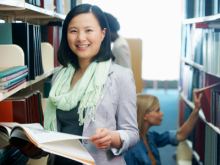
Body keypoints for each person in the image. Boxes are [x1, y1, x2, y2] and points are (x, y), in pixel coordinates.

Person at [10, 4, 139, 165]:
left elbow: (132, 133)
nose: (80, 38)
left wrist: (114, 138)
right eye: (73, 31)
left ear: (103, 33)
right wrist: (37, 147)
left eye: (88, 30)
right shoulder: (59, 76)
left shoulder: (121, 76)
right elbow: (57, 132)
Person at [123, 90, 202, 165]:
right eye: (157, 110)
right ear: (145, 115)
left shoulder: (150, 136)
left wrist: (196, 110)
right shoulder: (130, 150)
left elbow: (181, 135)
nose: (162, 113)